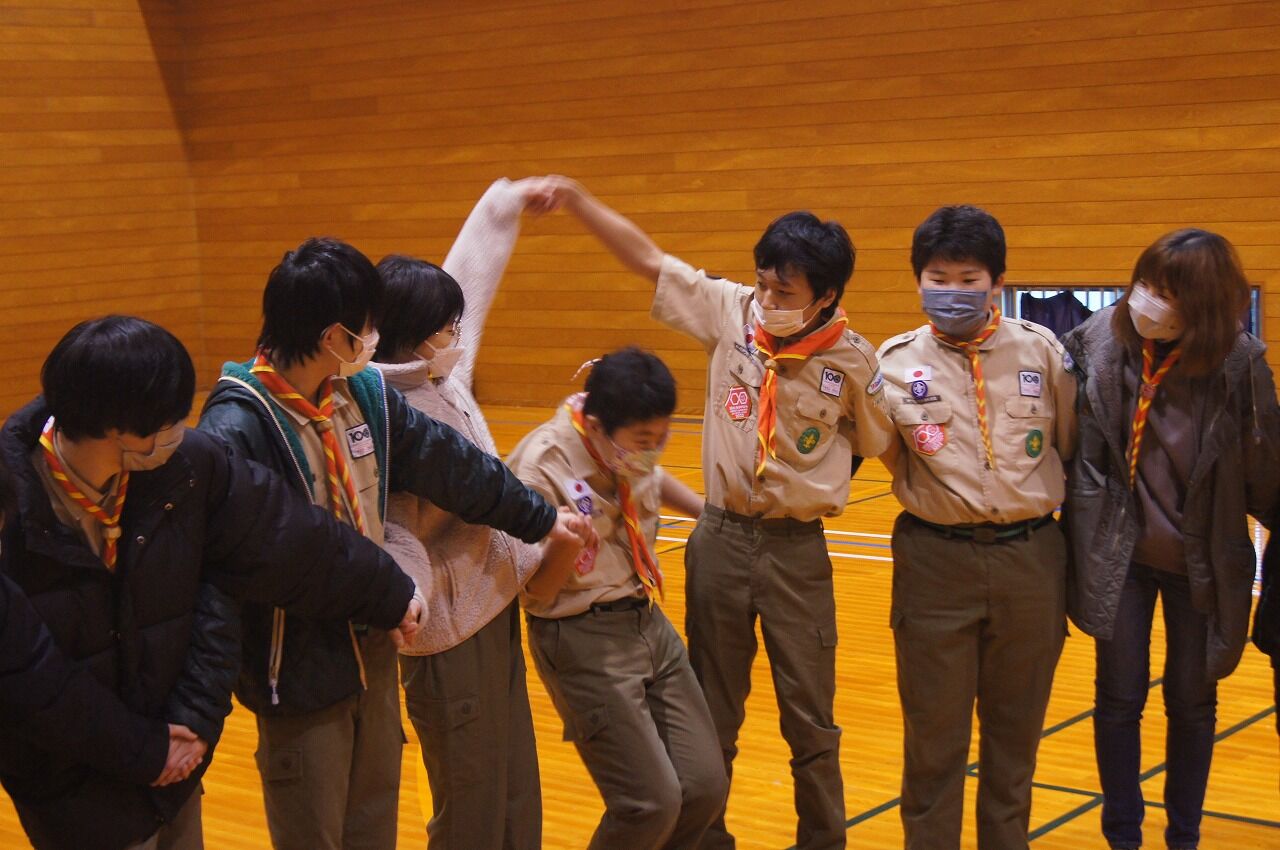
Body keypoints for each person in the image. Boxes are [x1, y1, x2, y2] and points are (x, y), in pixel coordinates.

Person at [199, 235, 588, 850]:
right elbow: (255, 568)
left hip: (375, 647)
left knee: (374, 829)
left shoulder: (361, 394)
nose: (374, 340)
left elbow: (454, 464)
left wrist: (539, 518)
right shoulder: (236, 428)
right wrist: (199, 712)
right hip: (300, 672)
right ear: (334, 336)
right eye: (367, 327)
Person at [546, 177, 895, 849]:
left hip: (797, 550)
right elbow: (650, 261)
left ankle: (823, 840)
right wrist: (580, 203)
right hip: (722, 539)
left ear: (825, 296)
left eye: (784, 292)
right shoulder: (731, 314)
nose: (768, 301)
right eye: (763, 284)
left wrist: (812, 480)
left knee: (811, 722)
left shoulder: (854, 361)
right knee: (710, 714)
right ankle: (709, 840)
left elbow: (876, 441)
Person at [0, 315, 423, 850]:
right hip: (74, 792)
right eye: (170, 418)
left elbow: (286, 535)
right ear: (118, 428)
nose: (181, 428)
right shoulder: (11, 511)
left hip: (173, 767)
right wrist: (146, 750)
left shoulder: (185, 466)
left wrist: (389, 592)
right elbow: (30, 683)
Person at [373, 177, 585, 849]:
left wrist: (506, 203)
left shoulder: (439, 377)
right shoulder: (389, 415)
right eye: (445, 326)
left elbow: (469, 277)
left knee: (515, 787)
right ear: (411, 336)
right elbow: (395, 530)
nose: (457, 335)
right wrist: (412, 599)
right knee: (471, 805)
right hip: (447, 633)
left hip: (491, 609)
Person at [1061, 228, 1280, 850]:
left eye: (1168, 291)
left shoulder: (1240, 365)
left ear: (1204, 304)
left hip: (1201, 561)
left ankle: (1184, 834)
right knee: (1118, 698)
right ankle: (1122, 834)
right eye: (1145, 283)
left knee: (1191, 703)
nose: (1148, 300)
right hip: (1121, 556)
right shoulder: (1102, 342)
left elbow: (1265, 474)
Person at [875, 205, 1077, 850]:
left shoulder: (1043, 352)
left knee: (1015, 740)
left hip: (1030, 560)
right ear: (917, 280)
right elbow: (890, 454)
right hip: (936, 562)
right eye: (938, 278)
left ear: (997, 281)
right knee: (933, 741)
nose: (953, 291)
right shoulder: (893, 364)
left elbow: (1070, 444)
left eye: (969, 279)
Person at [507, 347, 728, 849]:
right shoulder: (541, 468)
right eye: (644, 440)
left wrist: (709, 513)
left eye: (662, 437)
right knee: (649, 804)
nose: (654, 450)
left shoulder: (624, 446)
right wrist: (566, 546)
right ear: (595, 425)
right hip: (580, 636)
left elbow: (648, 475)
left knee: (704, 788)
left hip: (646, 620)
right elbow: (535, 595)